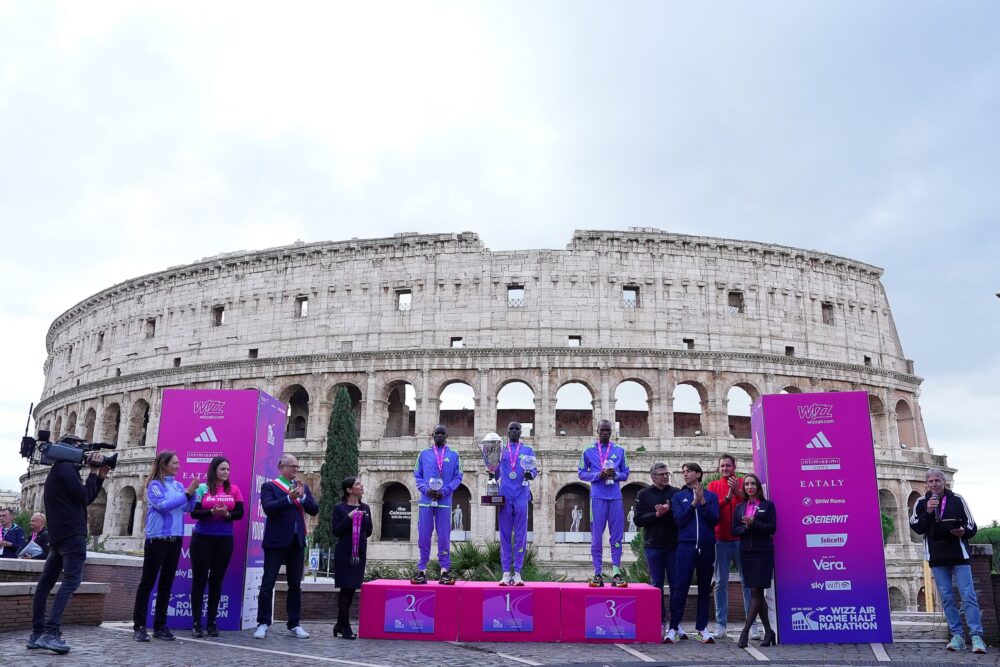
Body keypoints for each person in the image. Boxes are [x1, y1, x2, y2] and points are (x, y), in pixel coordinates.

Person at [28, 441, 109, 654]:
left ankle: (37, 633)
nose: (85, 454)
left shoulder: (58, 471)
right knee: (72, 580)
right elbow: (84, 498)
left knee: (44, 585)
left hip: (58, 535)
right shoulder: (66, 468)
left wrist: (98, 477)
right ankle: (51, 633)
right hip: (72, 534)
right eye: (81, 449)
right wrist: (93, 472)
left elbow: (84, 497)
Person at [910, 468, 986, 654]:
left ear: (944, 482)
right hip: (936, 556)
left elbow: (971, 525)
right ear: (926, 484)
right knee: (947, 598)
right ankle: (957, 636)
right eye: (931, 481)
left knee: (968, 595)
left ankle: (977, 637)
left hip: (959, 554)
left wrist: (963, 532)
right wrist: (928, 512)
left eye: (938, 480)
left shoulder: (957, 499)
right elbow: (917, 527)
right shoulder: (921, 502)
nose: (934, 484)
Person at [132, 450, 199, 642]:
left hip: (175, 539)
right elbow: (163, 505)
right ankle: (140, 625)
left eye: (178, 463)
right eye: (175, 463)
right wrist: (187, 493)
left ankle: (160, 626)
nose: (178, 466)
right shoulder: (154, 485)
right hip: (157, 539)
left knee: (166, 584)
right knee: (148, 582)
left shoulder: (178, 485)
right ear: (164, 465)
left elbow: (188, 508)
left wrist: (192, 495)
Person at [254, 453, 319, 639]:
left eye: (297, 467)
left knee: (295, 585)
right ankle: (263, 622)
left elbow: (314, 510)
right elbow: (269, 508)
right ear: (281, 467)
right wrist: (290, 498)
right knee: (268, 583)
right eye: (292, 467)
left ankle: (294, 623)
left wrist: (303, 497)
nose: (295, 470)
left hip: (297, 541)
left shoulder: (302, 487)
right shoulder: (270, 486)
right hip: (276, 542)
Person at [189, 456, 244, 637]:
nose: (226, 472)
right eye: (222, 469)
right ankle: (197, 622)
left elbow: (240, 513)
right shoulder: (203, 489)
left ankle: (212, 621)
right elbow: (194, 513)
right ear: (214, 470)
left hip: (224, 539)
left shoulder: (234, 490)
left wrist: (227, 514)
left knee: (216, 581)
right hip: (202, 538)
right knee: (199, 580)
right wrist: (211, 512)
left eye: (228, 469)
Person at [665, 462, 719, 644]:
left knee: (705, 588)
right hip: (685, 547)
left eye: (688, 471)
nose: (685, 474)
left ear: (698, 474)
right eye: (683, 472)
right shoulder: (679, 497)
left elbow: (713, 520)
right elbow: (679, 521)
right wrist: (693, 503)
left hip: (706, 546)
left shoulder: (711, 497)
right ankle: (673, 627)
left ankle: (702, 628)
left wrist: (702, 501)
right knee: (680, 587)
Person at [706, 454, 754, 639]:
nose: (725, 469)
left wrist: (738, 493)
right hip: (721, 539)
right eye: (722, 466)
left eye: (728, 465)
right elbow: (712, 509)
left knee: (747, 582)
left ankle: (751, 624)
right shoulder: (713, 486)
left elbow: (751, 504)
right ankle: (721, 624)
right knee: (720, 582)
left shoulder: (743, 482)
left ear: (735, 466)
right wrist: (728, 497)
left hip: (741, 539)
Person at [577, 418, 630, 587]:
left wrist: (615, 475)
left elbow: (626, 473)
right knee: (596, 537)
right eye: (603, 430)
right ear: (597, 431)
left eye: (608, 430)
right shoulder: (588, 451)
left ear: (611, 432)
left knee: (616, 537)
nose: (605, 433)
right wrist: (597, 476)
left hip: (615, 497)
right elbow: (581, 473)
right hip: (597, 498)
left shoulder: (620, 451)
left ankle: (616, 573)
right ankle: (597, 573)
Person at [411, 424, 463, 585]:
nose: (439, 436)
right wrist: (426, 489)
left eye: (442, 434)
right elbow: (417, 475)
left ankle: (445, 571)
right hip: (426, 501)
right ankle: (422, 570)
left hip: (444, 502)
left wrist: (446, 491)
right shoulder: (423, 454)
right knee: (424, 536)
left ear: (447, 436)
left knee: (444, 537)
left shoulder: (454, 455)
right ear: (432, 435)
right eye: (437, 433)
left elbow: (458, 477)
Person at [731, 473, 776, 648]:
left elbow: (772, 528)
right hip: (746, 553)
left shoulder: (768, 506)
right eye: (747, 484)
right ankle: (768, 631)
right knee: (756, 593)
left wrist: (753, 524)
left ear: (758, 487)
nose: (750, 487)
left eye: (752, 484)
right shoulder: (740, 507)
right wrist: (746, 527)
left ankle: (745, 631)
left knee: (757, 591)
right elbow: (734, 530)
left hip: (763, 552)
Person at [632, 463, 679, 629]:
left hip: (673, 545)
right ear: (653, 477)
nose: (665, 477)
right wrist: (656, 514)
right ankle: (660, 620)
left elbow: (682, 516)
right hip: (653, 546)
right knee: (656, 584)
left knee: (676, 585)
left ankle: (676, 623)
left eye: (667, 474)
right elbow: (638, 519)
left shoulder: (675, 492)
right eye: (661, 474)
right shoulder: (643, 494)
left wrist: (670, 510)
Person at [331, 476, 373, 639]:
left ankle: (339, 625)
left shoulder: (366, 508)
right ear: (349, 490)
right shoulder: (339, 508)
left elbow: (368, 531)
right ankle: (344, 626)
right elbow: (336, 531)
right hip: (344, 553)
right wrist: (349, 518)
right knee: (345, 588)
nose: (361, 485)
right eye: (357, 484)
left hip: (359, 553)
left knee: (352, 588)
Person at [496, 421, 538, 586]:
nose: (514, 431)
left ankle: (518, 573)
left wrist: (531, 475)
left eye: (516, 429)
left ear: (521, 432)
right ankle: (506, 572)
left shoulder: (528, 450)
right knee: (505, 535)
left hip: (521, 495)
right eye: (511, 429)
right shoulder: (501, 451)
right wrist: (491, 470)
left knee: (521, 535)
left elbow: (534, 470)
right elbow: (496, 471)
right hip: (505, 496)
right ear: (507, 432)